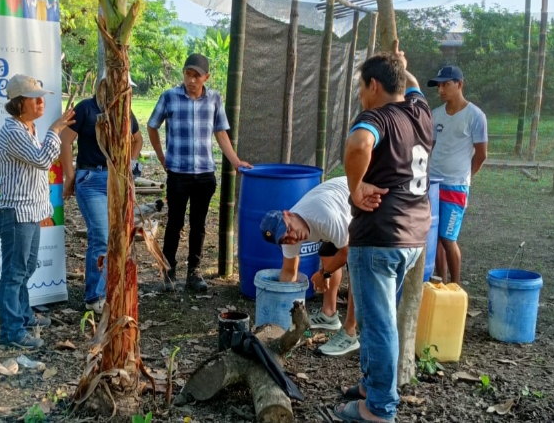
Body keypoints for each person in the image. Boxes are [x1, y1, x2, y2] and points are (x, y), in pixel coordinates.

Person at [337, 41, 434, 423]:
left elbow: (358, 145)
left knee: (378, 325)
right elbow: (413, 86)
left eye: (362, 89)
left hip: (380, 236)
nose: (361, 98)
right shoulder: (420, 112)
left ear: (374, 86)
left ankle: (378, 408)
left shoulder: (377, 118)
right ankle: (371, 384)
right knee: (382, 318)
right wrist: (400, 64)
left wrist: (355, 188)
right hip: (412, 237)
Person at [147, 54, 252, 292]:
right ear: (183, 74)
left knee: (199, 224)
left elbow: (221, 133)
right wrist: (162, 156)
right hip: (178, 174)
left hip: (205, 174)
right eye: (188, 74)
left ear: (206, 77)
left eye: (197, 76)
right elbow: (152, 126)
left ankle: (194, 272)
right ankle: (168, 270)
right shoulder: (169, 97)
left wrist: (236, 162)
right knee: (174, 222)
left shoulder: (214, 99)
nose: (191, 80)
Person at [0, 74, 76, 349]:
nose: (41, 102)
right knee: (14, 273)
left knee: (25, 269)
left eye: (41, 97)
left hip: (29, 212)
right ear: (19, 103)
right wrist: (55, 129)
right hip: (16, 213)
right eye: (35, 98)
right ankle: (12, 331)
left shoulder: (28, 128)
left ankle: (24, 316)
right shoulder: (13, 131)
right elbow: (42, 160)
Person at [60, 84, 144, 314]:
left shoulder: (125, 111)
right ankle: (94, 296)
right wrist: (70, 176)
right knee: (101, 235)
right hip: (91, 178)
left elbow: (138, 140)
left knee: (119, 236)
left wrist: (130, 163)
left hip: (118, 180)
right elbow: (65, 140)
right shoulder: (86, 108)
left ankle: (112, 289)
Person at [259, 176, 360, 357]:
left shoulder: (324, 216)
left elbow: (347, 253)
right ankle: (329, 314)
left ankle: (350, 333)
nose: (292, 237)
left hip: (360, 199)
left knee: (357, 265)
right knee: (327, 253)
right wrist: (284, 317)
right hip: (338, 213)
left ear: (288, 214)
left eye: (288, 230)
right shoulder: (289, 236)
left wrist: (324, 273)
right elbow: (289, 272)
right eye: (285, 239)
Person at [426, 65, 487, 286]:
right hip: (434, 184)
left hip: (456, 187)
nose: (440, 90)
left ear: (459, 84)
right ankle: (442, 285)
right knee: (435, 238)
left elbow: (481, 154)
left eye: (445, 84)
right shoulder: (435, 115)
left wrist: (466, 177)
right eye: (438, 85)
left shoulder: (476, 116)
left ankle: (456, 287)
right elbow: (430, 147)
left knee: (448, 237)